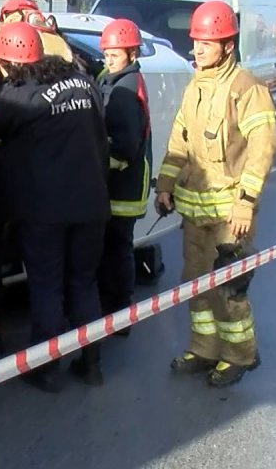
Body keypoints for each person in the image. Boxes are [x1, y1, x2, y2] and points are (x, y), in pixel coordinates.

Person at [0, 20, 111, 391]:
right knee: (84, 283)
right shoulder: (84, 82)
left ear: (11, 63)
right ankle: (92, 362)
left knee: (47, 285)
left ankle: (46, 367)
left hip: (45, 210)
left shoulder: (19, 94)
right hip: (92, 205)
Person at [155, 0, 276, 388]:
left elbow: (263, 147)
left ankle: (240, 355)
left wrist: (246, 202)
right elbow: (180, 142)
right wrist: (165, 185)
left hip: (231, 215)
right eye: (195, 42)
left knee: (228, 290)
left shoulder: (246, 88)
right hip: (195, 211)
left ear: (228, 45)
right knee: (194, 282)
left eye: (206, 44)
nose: (197, 50)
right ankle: (204, 348)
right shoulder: (196, 85)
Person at [96, 19, 152, 337]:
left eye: (114, 54)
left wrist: (100, 166)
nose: (108, 60)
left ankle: (119, 314)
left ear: (131, 53)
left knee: (119, 249)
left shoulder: (126, 90)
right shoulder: (111, 78)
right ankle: (113, 308)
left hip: (124, 186)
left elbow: (127, 146)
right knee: (113, 248)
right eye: (106, 54)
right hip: (115, 183)